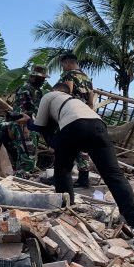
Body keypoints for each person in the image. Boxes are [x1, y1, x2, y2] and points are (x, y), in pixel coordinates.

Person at [24, 85, 134, 230]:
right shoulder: (75, 101)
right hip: (98, 126)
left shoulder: (49, 96)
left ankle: (66, 211)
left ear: (54, 90)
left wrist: (28, 121)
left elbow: (39, 126)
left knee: (63, 171)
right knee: (114, 174)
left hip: (73, 127)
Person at [58, 51, 95, 187]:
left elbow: (65, 94)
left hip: (71, 115)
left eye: (62, 65)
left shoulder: (69, 75)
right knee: (83, 148)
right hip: (85, 115)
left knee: (64, 146)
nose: (62, 68)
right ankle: (83, 179)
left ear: (68, 62)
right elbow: (91, 101)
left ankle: (61, 177)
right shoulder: (87, 78)